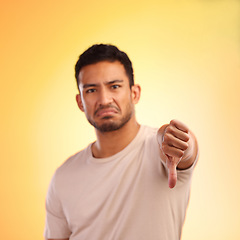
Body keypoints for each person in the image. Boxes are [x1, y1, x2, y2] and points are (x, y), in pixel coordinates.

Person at [44, 44, 198, 240]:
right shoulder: (63, 176)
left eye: (114, 87)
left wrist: (177, 141)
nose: (104, 99)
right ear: (80, 101)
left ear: (134, 93)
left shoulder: (161, 153)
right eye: (91, 90)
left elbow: (186, 150)